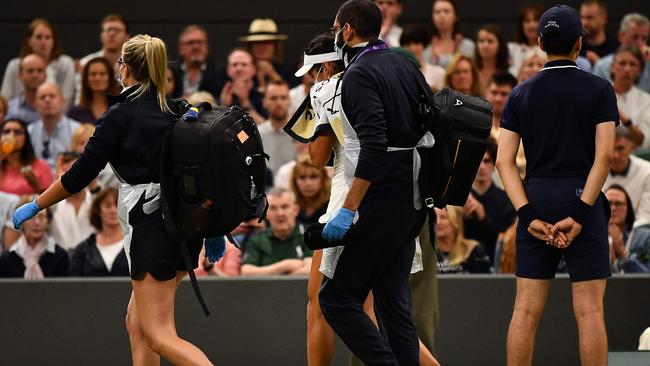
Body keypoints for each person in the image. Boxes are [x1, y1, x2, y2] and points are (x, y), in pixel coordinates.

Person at [12, 34, 216, 365]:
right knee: (136, 324)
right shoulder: (180, 109)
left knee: (159, 334)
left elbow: (80, 174)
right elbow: (204, 172)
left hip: (152, 226)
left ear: (127, 68)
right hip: (182, 227)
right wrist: (214, 230)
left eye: (120, 62)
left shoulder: (119, 116)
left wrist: (37, 203)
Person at [290, 31, 439, 366]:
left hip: (352, 197)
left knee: (326, 302)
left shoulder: (328, 88)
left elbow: (317, 155)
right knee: (388, 309)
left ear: (324, 68)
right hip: (402, 195)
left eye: (313, 72)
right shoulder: (386, 77)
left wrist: (320, 115)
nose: (311, 80)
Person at [496, 5, 618, 366]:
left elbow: (504, 161)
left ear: (539, 42)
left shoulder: (520, 94)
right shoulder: (600, 88)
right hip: (584, 196)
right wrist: (580, 213)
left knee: (526, 310)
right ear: (580, 43)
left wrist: (527, 214)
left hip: (538, 197)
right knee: (590, 312)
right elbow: (606, 156)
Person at [1, 19, 75, 110]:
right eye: (38, 37)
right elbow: (5, 99)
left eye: (48, 37)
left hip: (53, 117)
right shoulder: (14, 65)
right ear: (29, 40)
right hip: (17, 117)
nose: (43, 42)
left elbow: (67, 99)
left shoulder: (65, 63)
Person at [464, 140, 516, 262]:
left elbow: (508, 241)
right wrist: (463, 218)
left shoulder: (506, 200)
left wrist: (483, 217)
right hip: (465, 268)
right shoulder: (460, 199)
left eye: (486, 161)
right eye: (477, 161)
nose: (481, 166)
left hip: (499, 266)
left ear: (494, 165)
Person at [240, 188, 312, 276]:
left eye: (285, 207)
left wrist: (268, 274)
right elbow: (246, 272)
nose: (279, 213)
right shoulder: (257, 240)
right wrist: (285, 265)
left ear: (295, 210)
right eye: (273, 208)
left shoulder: (309, 235)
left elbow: (312, 269)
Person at [0, 194, 68, 278]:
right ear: (21, 221)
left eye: (42, 217)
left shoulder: (60, 256)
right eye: (31, 218)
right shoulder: (7, 259)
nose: (37, 223)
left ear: (48, 221)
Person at [69, 187, 129, 276]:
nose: (113, 210)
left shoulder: (134, 245)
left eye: (117, 205)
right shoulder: (83, 249)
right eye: (108, 206)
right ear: (98, 210)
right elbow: (73, 284)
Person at [28, 82, 81, 172]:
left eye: (52, 96)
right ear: (35, 104)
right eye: (42, 97)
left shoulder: (77, 130)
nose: (47, 100)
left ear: (63, 101)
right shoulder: (29, 131)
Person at [593, 13, 650, 93]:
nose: (640, 43)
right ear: (621, 36)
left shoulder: (649, 63)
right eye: (635, 37)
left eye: (644, 38)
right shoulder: (602, 66)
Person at [605, 128, 650, 227]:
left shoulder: (647, 172)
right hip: (602, 232)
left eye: (620, 148)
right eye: (611, 148)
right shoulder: (593, 171)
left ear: (632, 148)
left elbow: (644, 218)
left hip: (634, 236)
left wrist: (625, 237)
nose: (615, 155)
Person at [49, 152, 95, 251]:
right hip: (61, 261)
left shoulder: (96, 201)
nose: (72, 178)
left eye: (77, 172)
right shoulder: (51, 206)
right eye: (66, 172)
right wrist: (57, 184)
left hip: (92, 261)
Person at [240, 18, 300, 89]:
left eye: (266, 42)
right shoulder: (242, 70)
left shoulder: (289, 70)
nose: (262, 47)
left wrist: (273, 74)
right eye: (257, 43)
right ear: (251, 46)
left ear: (275, 46)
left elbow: (294, 94)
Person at [170, 25, 227, 99]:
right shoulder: (171, 71)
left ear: (207, 47)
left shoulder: (220, 72)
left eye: (200, 42)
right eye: (190, 43)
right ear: (181, 49)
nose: (196, 47)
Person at [611, 46, 650, 149]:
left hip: (636, 158)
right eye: (622, 63)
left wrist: (625, 120)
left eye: (633, 64)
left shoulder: (646, 100)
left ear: (640, 71)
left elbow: (644, 142)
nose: (627, 69)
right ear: (612, 67)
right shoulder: (598, 95)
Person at [0, 119, 52, 195]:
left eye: (17, 132)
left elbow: (51, 203)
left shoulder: (41, 166)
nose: (11, 136)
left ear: (26, 138)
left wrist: (37, 187)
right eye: (6, 132)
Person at [605, 184, 650, 273]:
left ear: (628, 208)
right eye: (609, 203)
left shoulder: (645, 237)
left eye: (618, 203)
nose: (613, 208)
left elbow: (647, 277)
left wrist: (623, 254)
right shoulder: (591, 238)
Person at [436, 206, 491, 274]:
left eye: (443, 217)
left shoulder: (473, 250)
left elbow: (485, 282)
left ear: (457, 221)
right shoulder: (424, 252)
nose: (437, 222)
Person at [220, 48, 266, 124]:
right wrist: (224, 106)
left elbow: (267, 129)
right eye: (234, 65)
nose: (239, 68)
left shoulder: (264, 96)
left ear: (254, 69)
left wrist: (245, 102)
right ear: (228, 70)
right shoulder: (221, 94)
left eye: (244, 64)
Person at [258, 80, 295, 174]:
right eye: (273, 98)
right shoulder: (257, 134)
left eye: (283, 98)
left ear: (289, 100)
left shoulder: (302, 134)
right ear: (264, 102)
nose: (279, 103)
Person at [69, 57, 120, 124]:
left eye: (102, 73)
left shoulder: (121, 109)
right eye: (93, 74)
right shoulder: (75, 113)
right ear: (86, 79)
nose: (97, 78)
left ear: (110, 78)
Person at [425, 0, 475, 68]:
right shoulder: (426, 50)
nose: (441, 15)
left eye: (446, 11)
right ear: (432, 18)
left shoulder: (468, 47)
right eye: (437, 12)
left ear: (455, 17)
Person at [400, 25, 446, 91]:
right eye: (408, 44)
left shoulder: (439, 73)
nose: (412, 48)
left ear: (423, 45)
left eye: (416, 43)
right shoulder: (397, 74)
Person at [5, 54, 47, 124]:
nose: (35, 75)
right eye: (30, 71)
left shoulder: (54, 109)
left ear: (45, 75)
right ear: (20, 75)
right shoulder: (9, 109)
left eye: (39, 71)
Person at [290, 156, 330, 227]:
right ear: (295, 181)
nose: (308, 183)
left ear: (323, 179)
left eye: (313, 177)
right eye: (302, 177)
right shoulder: (290, 207)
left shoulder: (333, 206)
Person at [508, 4, 545, 77]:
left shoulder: (550, 49)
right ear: (521, 25)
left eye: (536, 20)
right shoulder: (512, 50)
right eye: (527, 21)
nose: (531, 25)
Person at [579, 0, 618, 65]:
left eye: (590, 18)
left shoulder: (615, 48)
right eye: (582, 17)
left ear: (604, 18)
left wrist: (600, 63)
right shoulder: (575, 47)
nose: (584, 22)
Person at [474, 24, 510, 93]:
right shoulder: (470, 71)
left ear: (500, 45)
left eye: (490, 41)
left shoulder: (508, 72)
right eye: (481, 41)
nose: (485, 45)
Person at [486, 72, 518, 141]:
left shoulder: (520, 126)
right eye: (494, 92)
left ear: (514, 96)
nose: (498, 99)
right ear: (486, 92)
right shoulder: (476, 122)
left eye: (504, 94)